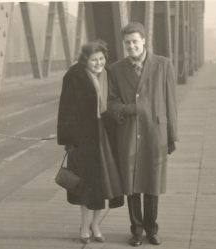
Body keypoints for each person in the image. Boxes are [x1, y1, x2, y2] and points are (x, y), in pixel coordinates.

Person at [107, 22, 179, 246]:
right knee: (131, 184)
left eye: (135, 42)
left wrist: (171, 135)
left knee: (152, 182)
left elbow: (171, 102)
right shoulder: (116, 69)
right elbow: (110, 102)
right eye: (127, 43)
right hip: (128, 132)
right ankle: (136, 229)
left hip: (154, 132)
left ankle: (152, 228)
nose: (131, 46)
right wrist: (128, 109)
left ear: (144, 41)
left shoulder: (164, 64)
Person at [57, 41, 124, 244]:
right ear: (85, 59)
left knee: (103, 182)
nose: (98, 63)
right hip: (83, 139)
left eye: (101, 59)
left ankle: (96, 224)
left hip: (106, 137)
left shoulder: (109, 75)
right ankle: (85, 225)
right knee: (85, 185)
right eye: (94, 59)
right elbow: (66, 109)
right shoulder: (73, 76)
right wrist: (70, 140)